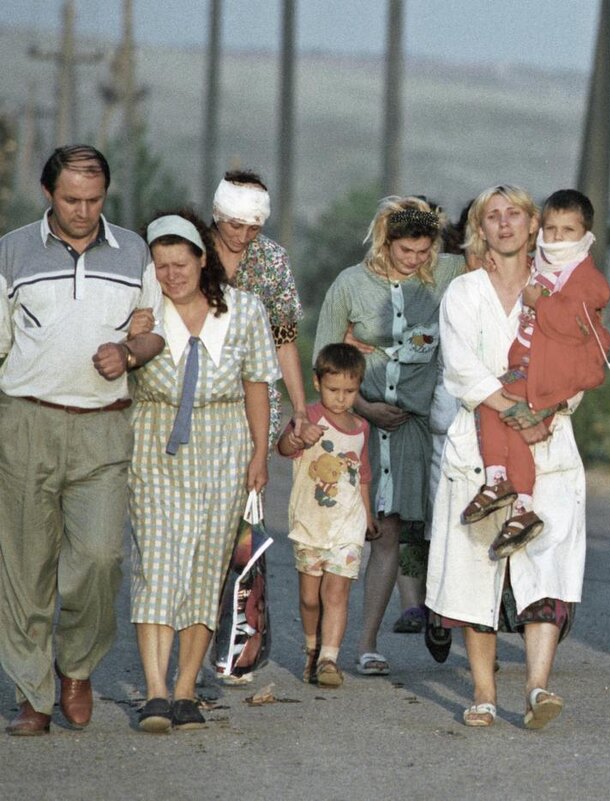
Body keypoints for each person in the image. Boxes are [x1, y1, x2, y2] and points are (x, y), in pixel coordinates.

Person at [0, 145, 165, 736]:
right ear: (48, 194)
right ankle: (33, 695)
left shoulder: (134, 251)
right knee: (26, 565)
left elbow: (156, 335)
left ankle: (77, 666)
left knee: (99, 558)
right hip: (26, 423)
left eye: (94, 200)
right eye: (71, 199)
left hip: (103, 426)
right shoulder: (12, 250)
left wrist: (128, 351)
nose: (83, 211)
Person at [427, 184, 587, 730]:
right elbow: (460, 367)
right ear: (480, 229)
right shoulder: (464, 292)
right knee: (476, 568)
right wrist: (509, 405)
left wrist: (546, 408)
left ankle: (538, 687)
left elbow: (581, 359)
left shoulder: (561, 290)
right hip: (479, 444)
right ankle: (484, 692)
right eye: (491, 216)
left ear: (533, 223)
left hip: (549, 439)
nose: (503, 224)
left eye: (513, 214)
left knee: (545, 566)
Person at [128, 210, 278, 732]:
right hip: (155, 443)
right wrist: (130, 335)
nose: (172, 274)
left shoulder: (245, 310)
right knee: (158, 564)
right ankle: (154, 692)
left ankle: (186, 688)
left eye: (181, 262)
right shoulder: (141, 313)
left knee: (205, 569)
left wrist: (259, 453)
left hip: (224, 444)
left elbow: (258, 383)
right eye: (161, 264)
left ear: (201, 259)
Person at [313, 196, 461, 676]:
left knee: (440, 525)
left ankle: (446, 619)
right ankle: (364, 643)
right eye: (406, 252)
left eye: (424, 252)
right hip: (364, 429)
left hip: (421, 428)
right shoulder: (350, 285)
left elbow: (498, 256)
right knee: (382, 534)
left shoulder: (447, 275)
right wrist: (363, 405)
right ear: (386, 241)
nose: (416, 261)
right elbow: (326, 357)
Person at [208, 169, 321, 685]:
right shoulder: (192, 252)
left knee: (244, 530)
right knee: (198, 534)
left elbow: (283, 339)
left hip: (252, 410)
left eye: (252, 228)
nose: (242, 235)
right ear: (217, 215)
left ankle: (245, 641)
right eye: (235, 224)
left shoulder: (270, 260)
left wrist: (301, 408)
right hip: (195, 408)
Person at [461, 189, 610, 560]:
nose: (558, 238)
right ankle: (521, 505)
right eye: (551, 228)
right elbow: (515, 267)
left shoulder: (587, 277)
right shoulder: (543, 262)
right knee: (505, 417)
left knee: (493, 403)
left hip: (549, 373)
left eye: (568, 230)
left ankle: (502, 485)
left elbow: (575, 326)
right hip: (530, 365)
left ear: (586, 233)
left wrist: (539, 303)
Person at [279, 343, 377, 689]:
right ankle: (312, 647)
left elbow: (362, 473)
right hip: (310, 523)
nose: (341, 398)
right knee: (310, 598)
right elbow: (284, 447)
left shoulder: (361, 427)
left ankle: (329, 658)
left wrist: (367, 512)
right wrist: (298, 437)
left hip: (347, 525)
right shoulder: (308, 417)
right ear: (317, 382)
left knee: (336, 594)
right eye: (334, 390)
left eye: (350, 391)